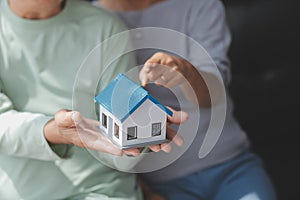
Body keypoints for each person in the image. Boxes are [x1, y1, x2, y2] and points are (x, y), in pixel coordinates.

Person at [0, 0, 186, 199]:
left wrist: (140, 136)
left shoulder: (104, 27)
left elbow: (121, 158)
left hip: (102, 191)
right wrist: (55, 132)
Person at [95, 0, 277, 199]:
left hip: (230, 165)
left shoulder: (200, 6)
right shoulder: (95, 21)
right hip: (160, 184)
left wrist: (187, 73)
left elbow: (212, 96)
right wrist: (144, 191)